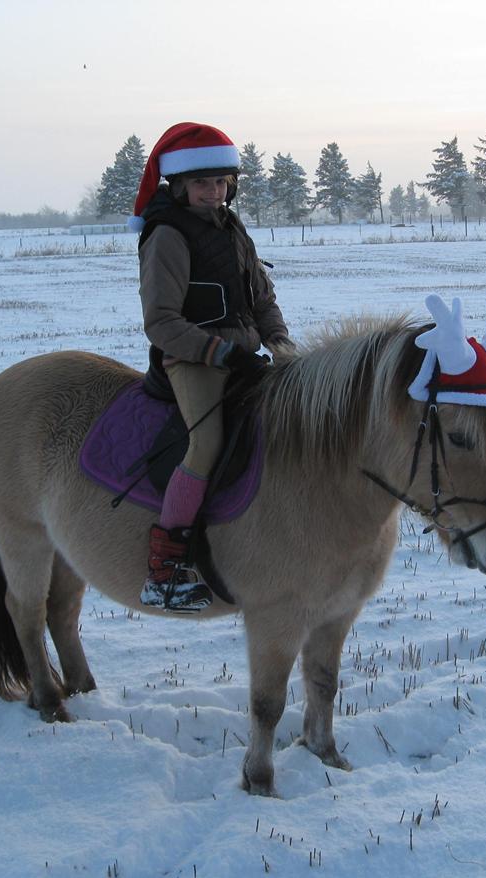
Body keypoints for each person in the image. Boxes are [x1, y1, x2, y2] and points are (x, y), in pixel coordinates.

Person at [129, 122, 291, 613]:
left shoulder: (232, 228)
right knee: (208, 442)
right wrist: (220, 353)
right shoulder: (168, 235)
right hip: (191, 358)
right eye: (202, 183)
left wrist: (280, 343)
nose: (214, 192)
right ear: (178, 186)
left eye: (221, 182)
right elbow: (161, 321)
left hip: (243, 354)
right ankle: (167, 564)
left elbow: (262, 298)